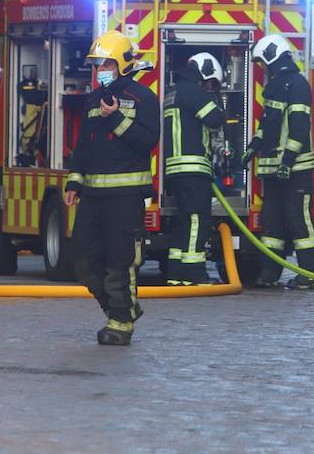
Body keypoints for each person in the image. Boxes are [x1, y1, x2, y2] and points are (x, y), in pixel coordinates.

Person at [64, 30, 160, 346]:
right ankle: (124, 308)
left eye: (106, 63)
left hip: (125, 197)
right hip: (92, 196)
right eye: (97, 64)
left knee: (120, 261)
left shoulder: (144, 98)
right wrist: (74, 181)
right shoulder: (93, 100)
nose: (100, 70)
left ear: (122, 64)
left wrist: (116, 117)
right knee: (83, 261)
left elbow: (147, 141)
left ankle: (120, 323)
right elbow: (83, 145)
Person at [241, 34, 314, 291]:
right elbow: (268, 124)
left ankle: (308, 273)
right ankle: (269, 273)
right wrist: (253, 147)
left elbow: (299, 127)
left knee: (298, 220)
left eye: (263, 63)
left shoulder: (297, 84)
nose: (263, 68)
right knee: (271, 221)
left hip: (295, 169)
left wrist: (287, 160)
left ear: (272, 58)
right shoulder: (276, 86)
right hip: (273, 169)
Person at [163, 52, 225, 285]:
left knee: (184, 221)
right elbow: (216, 119)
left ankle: (176, 273)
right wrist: (217, 101)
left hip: (175, 170)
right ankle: (193, 273)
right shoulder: (193, 92)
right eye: (209, 83)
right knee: (198, 220)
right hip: (193, 168)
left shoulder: (173, 92)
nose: (208, 88)